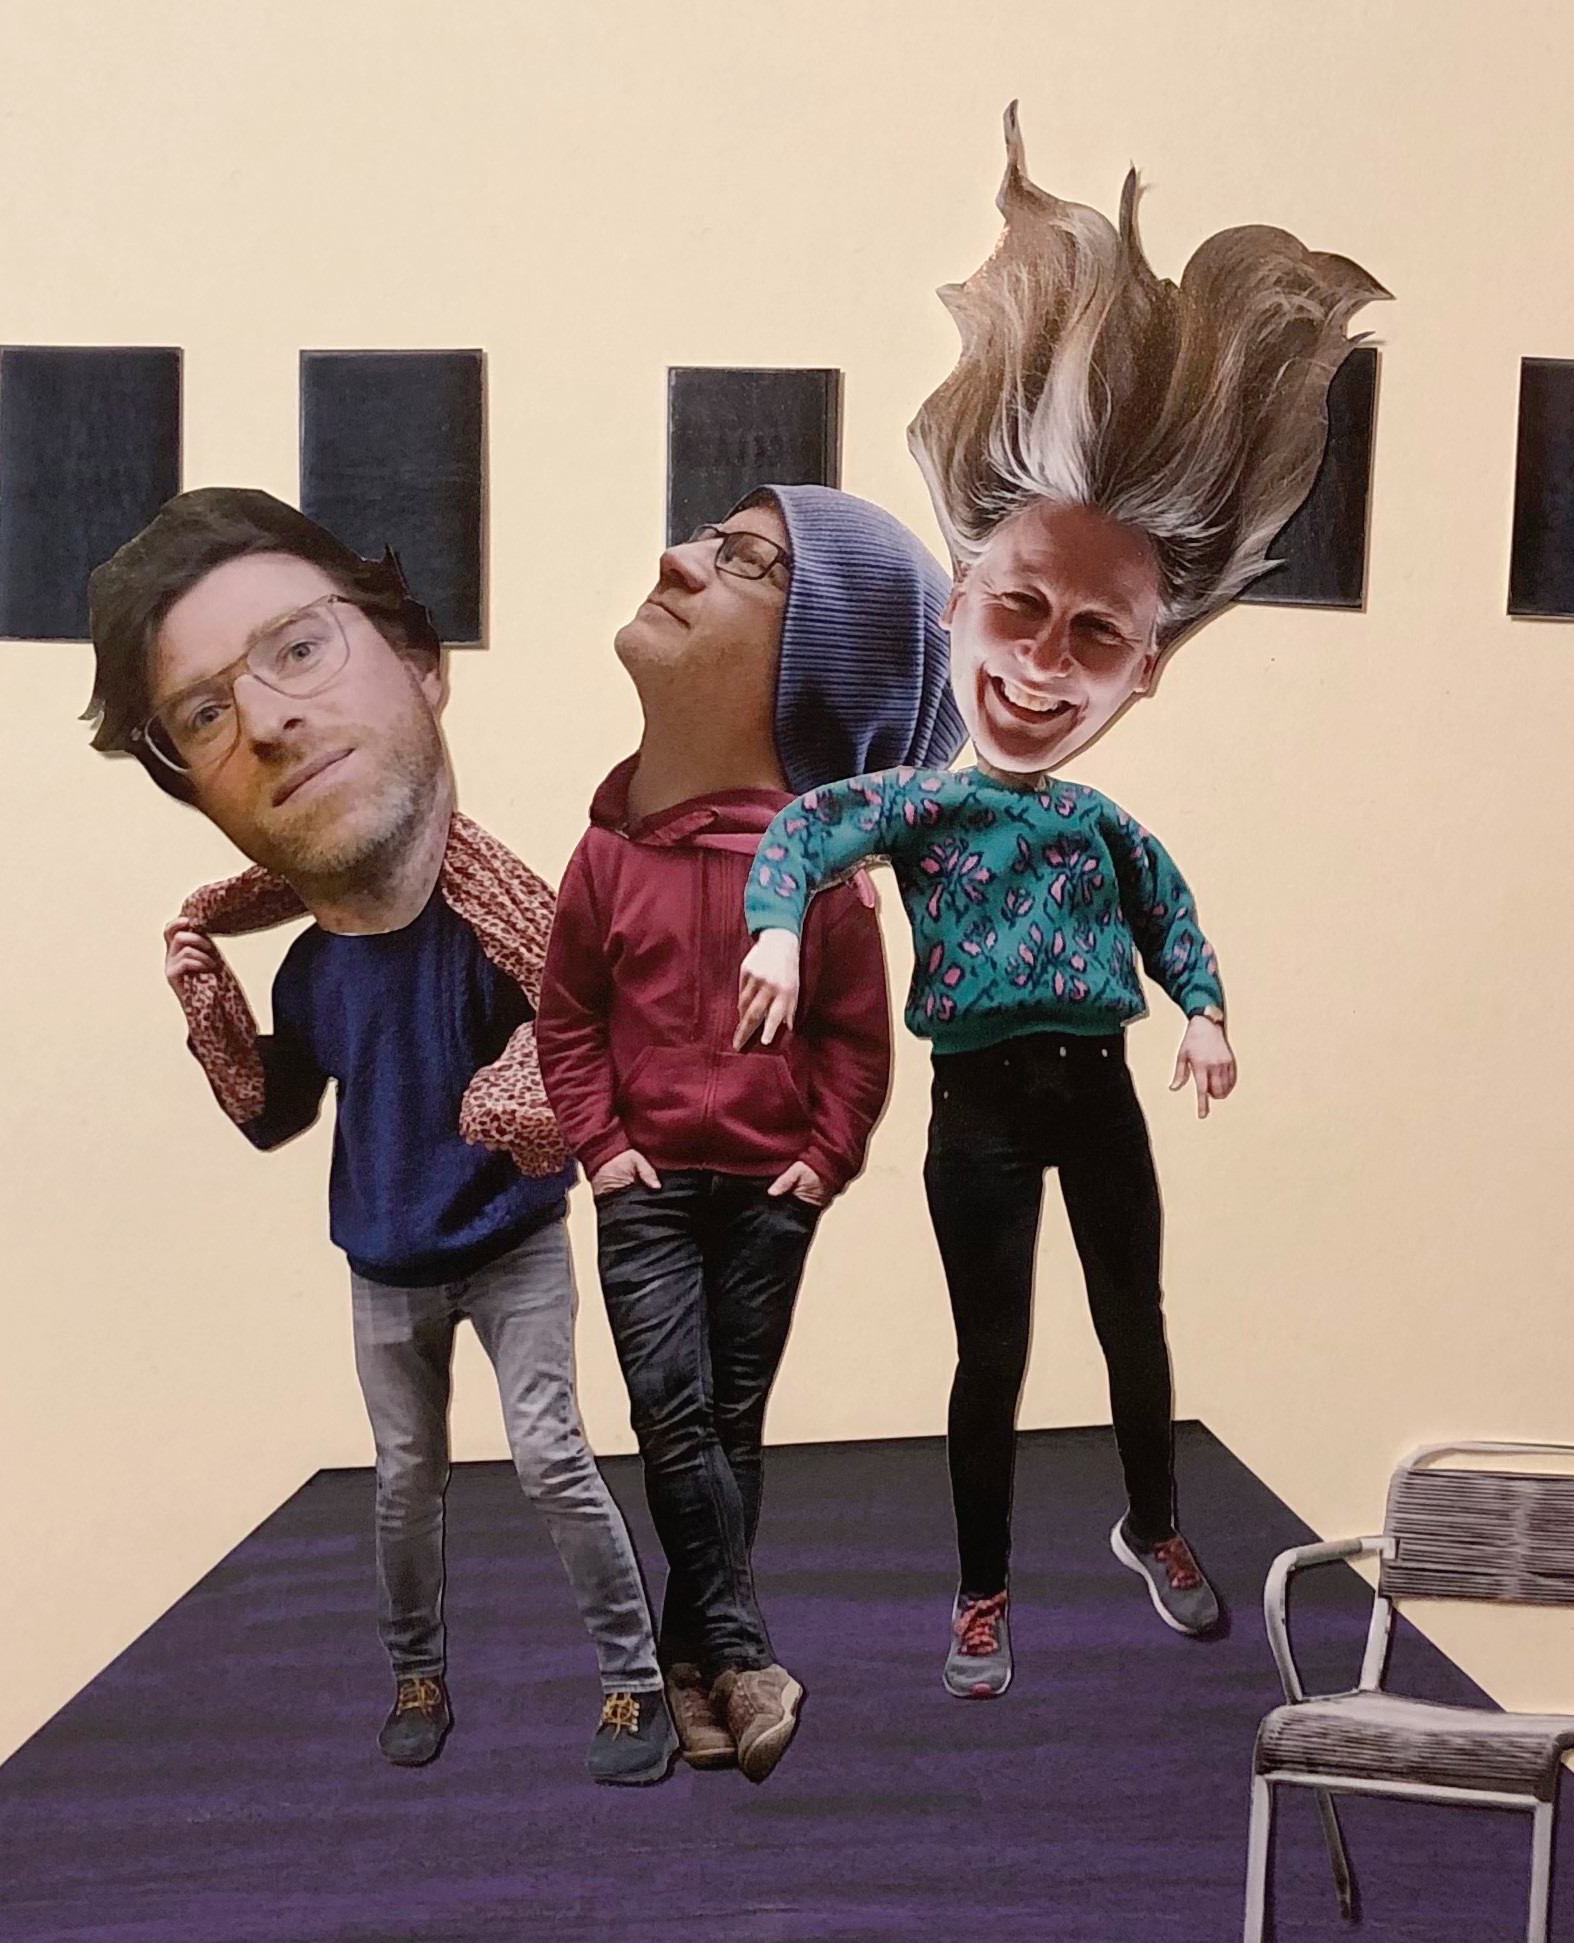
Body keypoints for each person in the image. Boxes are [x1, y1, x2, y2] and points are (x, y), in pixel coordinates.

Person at [736, 110, 1384, 1699]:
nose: (1040, 665)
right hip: (975, 1103)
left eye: (1095, 637)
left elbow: (1170, 916)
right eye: (1019, 610)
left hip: (1099, 1089)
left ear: (1146, 670)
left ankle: (1155, 1524)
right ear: (960, 600)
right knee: (994, 1355)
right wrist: (775, 926)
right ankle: (979, 1594)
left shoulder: (1104, 824)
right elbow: (809, 827)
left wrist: (1206, 1013)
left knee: (1134, 1318)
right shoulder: (924, 804)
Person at [83, 487, 676, 1787]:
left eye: (299, 647)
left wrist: (528, 1104)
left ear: (422, 663)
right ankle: (417, 1675)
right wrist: (205, 996)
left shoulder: (515, 938)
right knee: (404, 1487)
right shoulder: (310, 971)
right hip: (382, 1265)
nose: (265, 720)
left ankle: (635, 1681)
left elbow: (590, 1051)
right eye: (203, 715)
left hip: (512, 1249)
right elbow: (274, 1109)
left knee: (554, 1460)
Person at [535, 485, 963, 1779]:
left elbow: (855, 1042)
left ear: (822, 670)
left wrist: (819, 1164)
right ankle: (745, 1658)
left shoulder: (823, 885)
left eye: (745, 561)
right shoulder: (605, 858)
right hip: (648, 1186)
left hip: (768, 1193)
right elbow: (569, 1021)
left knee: (729, 1421)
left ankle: (692, 1671)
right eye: (704, 538)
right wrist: (605, 1152)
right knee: (673, 1416)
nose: (676, 560)